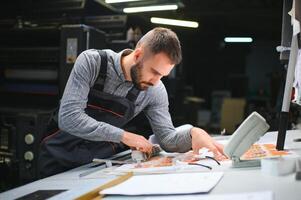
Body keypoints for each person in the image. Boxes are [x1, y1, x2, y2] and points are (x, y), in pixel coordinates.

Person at [39, 27, 225, 177]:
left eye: (162, 75)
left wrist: (193, 133)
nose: (156, 81)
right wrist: (124, 136)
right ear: (137, 55)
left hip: (95, 166)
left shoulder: (155, 90)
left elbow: (167, 139)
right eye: (154, 71)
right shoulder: (92, 62)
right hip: (57, 160)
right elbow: (69, 117)